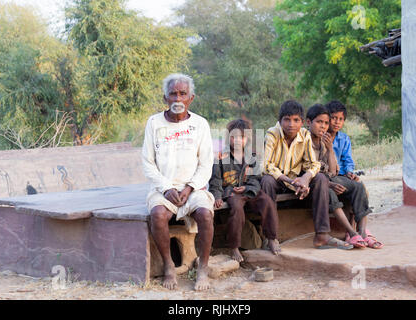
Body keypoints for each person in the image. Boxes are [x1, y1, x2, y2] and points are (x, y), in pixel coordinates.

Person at [142, 73, 215, 291]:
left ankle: (203, 267)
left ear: (191, 98)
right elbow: (147, 162)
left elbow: (206, 163)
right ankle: (168, 265)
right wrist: (166, 188)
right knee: (157, 214)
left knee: (205, 214)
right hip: (163, 188)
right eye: (173, 94)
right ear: (165, 98)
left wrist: (190, 187)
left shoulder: (200, 124)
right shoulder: (154, 123)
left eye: (182, 94)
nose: (177, 99)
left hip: (193, 187)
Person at [261, 100, 352, 250]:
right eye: (287, 120)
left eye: (296, 120)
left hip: (297, 179)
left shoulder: (304, 135)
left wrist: (305, 178)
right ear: (280, 121)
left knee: (321, 178)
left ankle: (322, 235)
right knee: (267, 181)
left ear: (302, 122)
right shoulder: (272, 134)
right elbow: (267, 166)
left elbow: (313, 164)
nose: (291, 124)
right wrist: (292, 181)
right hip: (279, 179)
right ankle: (271, 237)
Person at [208, 119, 281, 262]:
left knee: (267, 202)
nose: (236, 141)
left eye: (241, 137)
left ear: (246, 139)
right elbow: (215, 181)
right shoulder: (220, 158)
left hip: (250, 191)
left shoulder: (252, 157)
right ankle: (234, 246)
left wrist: (247, 187)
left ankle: (271, 238)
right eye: (233, 137)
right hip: (232, 192)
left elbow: (256, 178)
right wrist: (217, 196)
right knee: (236, 209)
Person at [325, 100, 383, 249]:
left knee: (358, 185)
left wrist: (351, 173)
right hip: (326, 177)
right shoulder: (320, 136)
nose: (337, 122)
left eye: (341, 119)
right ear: (327, 118)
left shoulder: (344, 139)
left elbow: (348, 160)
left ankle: (362, 232)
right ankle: (351, 232)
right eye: (333, 118)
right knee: (332, 190)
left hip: (343, 177)